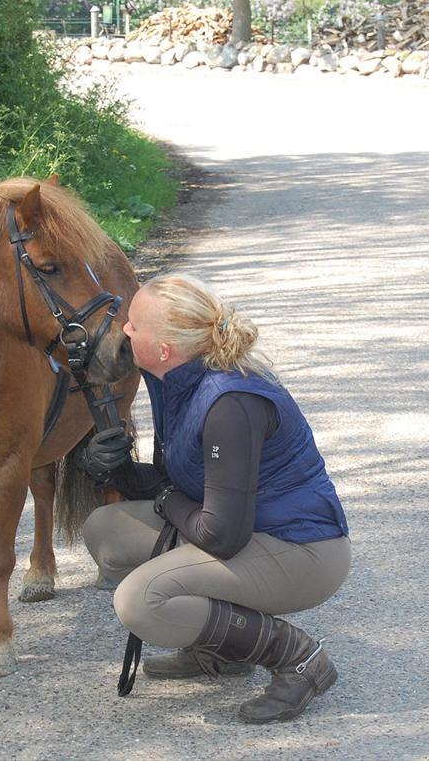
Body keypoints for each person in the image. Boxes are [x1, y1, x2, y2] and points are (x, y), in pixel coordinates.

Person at [79, 274, 351, 724]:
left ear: (164, 348)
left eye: (134, 325)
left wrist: (162, 495)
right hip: (246, 530)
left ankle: (298, 657)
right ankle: (224, 650)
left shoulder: (230, 402)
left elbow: (220, 535)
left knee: (139, 601)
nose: (124, 331)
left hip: (303, 550)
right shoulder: (174, 379)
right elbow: (184, 483)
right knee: (105, 531)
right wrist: (115, 469)